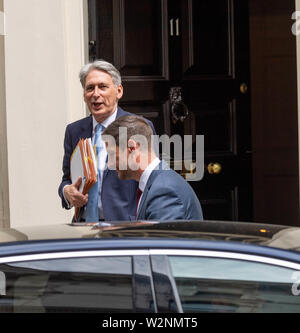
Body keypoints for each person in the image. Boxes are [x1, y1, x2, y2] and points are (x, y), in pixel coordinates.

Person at [58, 60, 155, 222]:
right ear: (84, 95)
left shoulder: (139, 127)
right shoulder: (73, 131)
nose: (95, 94)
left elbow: (151, 178)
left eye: (102, 87)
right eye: (90, 88)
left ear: (119, 91)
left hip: (125, 228)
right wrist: (66, 191)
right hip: (83, 228)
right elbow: (67, 179)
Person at [102, 115, 203, 221]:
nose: (110, 164)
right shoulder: (156, 183)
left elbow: (161, 237)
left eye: (113, 154)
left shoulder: (164, 190)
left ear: (132, 148)